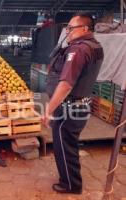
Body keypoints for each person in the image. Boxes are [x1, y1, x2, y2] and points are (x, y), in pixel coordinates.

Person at [43, 13, 104, 194]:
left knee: (64, 146)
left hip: (70, 108)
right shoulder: (94, 46)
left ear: (85, 29)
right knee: (68, 145)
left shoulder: (78, 50)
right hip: (80, 105)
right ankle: (70, 179)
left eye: (71, 28)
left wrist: (49, 109)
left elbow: (66, 84)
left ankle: (70, 184)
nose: (67, 31)